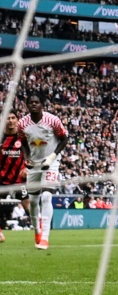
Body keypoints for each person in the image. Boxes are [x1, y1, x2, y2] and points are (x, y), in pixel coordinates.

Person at [18, 94, 69, 250]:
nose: (34, 104)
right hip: (34, 164)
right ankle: (37, 231)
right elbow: (23, 143)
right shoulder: (22, 123)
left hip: (51, 163)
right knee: (33, 202)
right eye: (31, 102)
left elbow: (64, 139)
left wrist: (53, 157)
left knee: (46, 196)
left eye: (37, 102)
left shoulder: (53, 120)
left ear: (42, 105)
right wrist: (27, 158)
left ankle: (45, 238)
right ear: (27, 106)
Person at [0, 113, 28, 243]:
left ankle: (39, 233)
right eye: (8, 118)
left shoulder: (23, 137)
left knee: (28, 206)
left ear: (17, 120)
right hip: (1, 179)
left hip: (19, 180)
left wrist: (28, 168)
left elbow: (33, 155)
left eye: (13, 118)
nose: (10, 121)